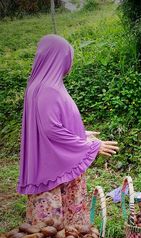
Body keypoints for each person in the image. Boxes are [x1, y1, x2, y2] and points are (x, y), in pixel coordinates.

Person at [17, 34, 119, 228]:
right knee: (55, 232)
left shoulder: (39, 86)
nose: (69, 63)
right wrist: (90, 146)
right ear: (57, 58)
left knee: (54, 234)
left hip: (52, 164)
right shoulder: (48, 89)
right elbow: (51, 129)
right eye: (67, 57)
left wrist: (82, 134)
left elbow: (46, 126)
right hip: (55, 172)